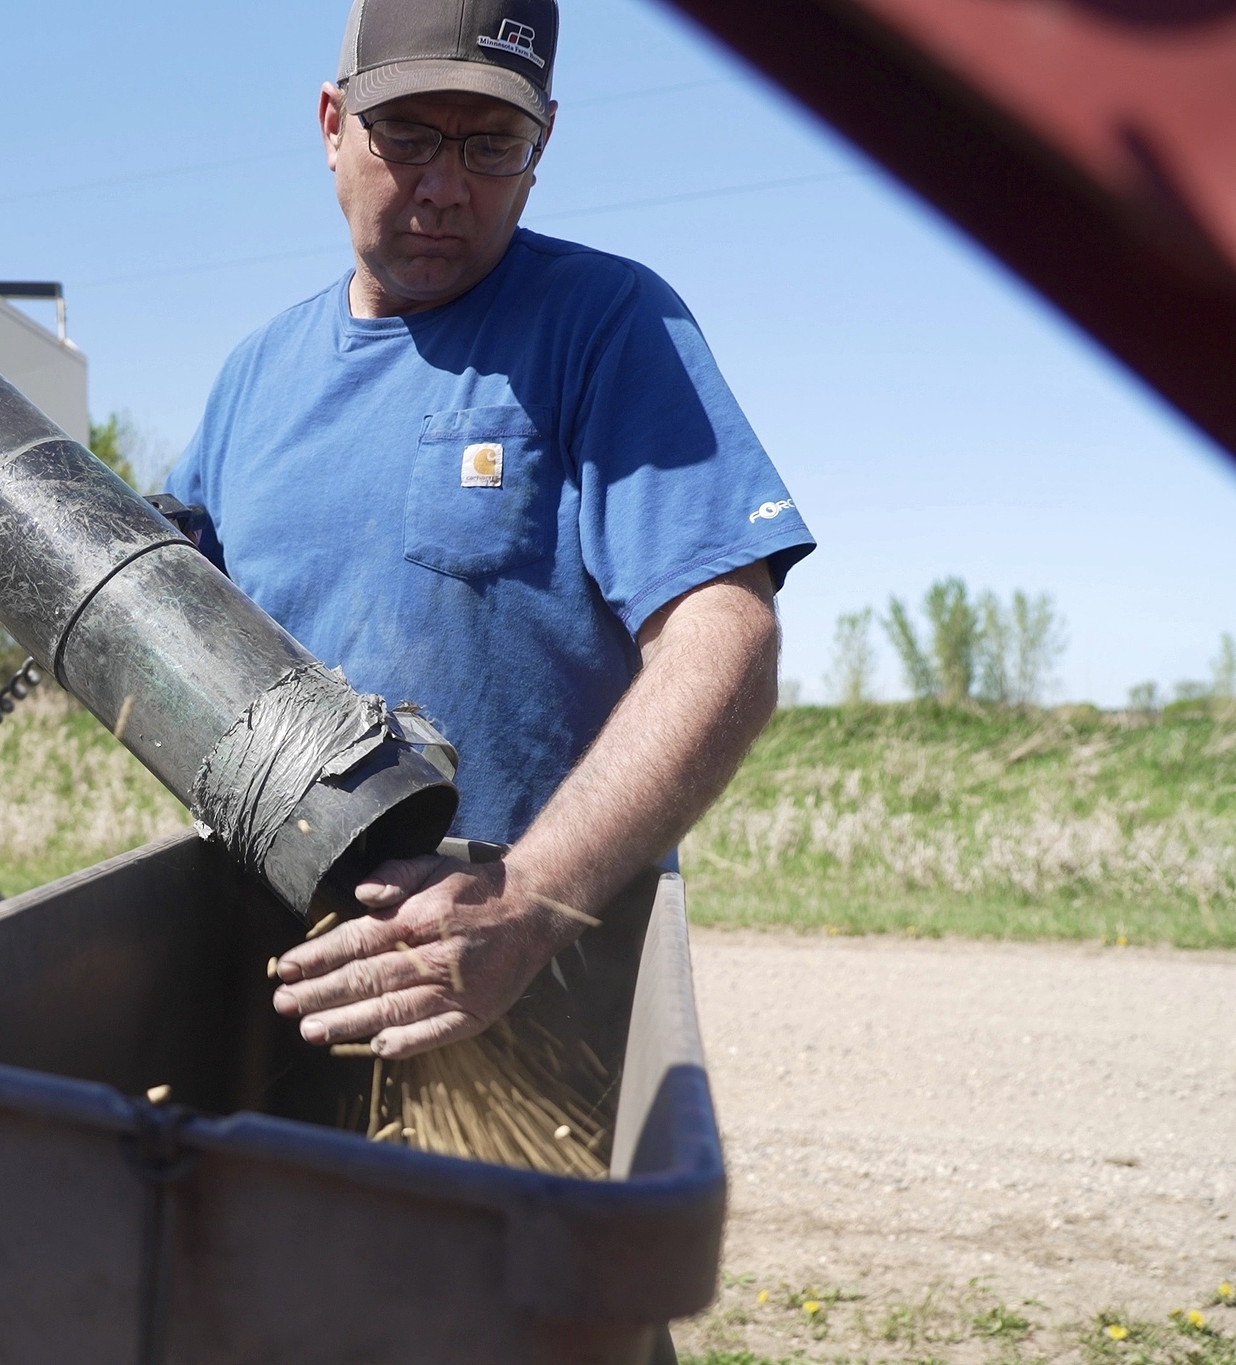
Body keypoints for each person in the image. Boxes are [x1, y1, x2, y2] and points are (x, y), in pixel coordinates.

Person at [165, 0, 815, 1060]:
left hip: (534, 987)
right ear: (331, 125)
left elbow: (724, 639)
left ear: (541, 144)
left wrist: (529, 900)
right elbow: (172, 638)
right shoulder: (253, 379)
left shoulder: (608, 324)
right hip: (285, 978)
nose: (443, 185)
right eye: (406, 134)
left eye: (490, 145)